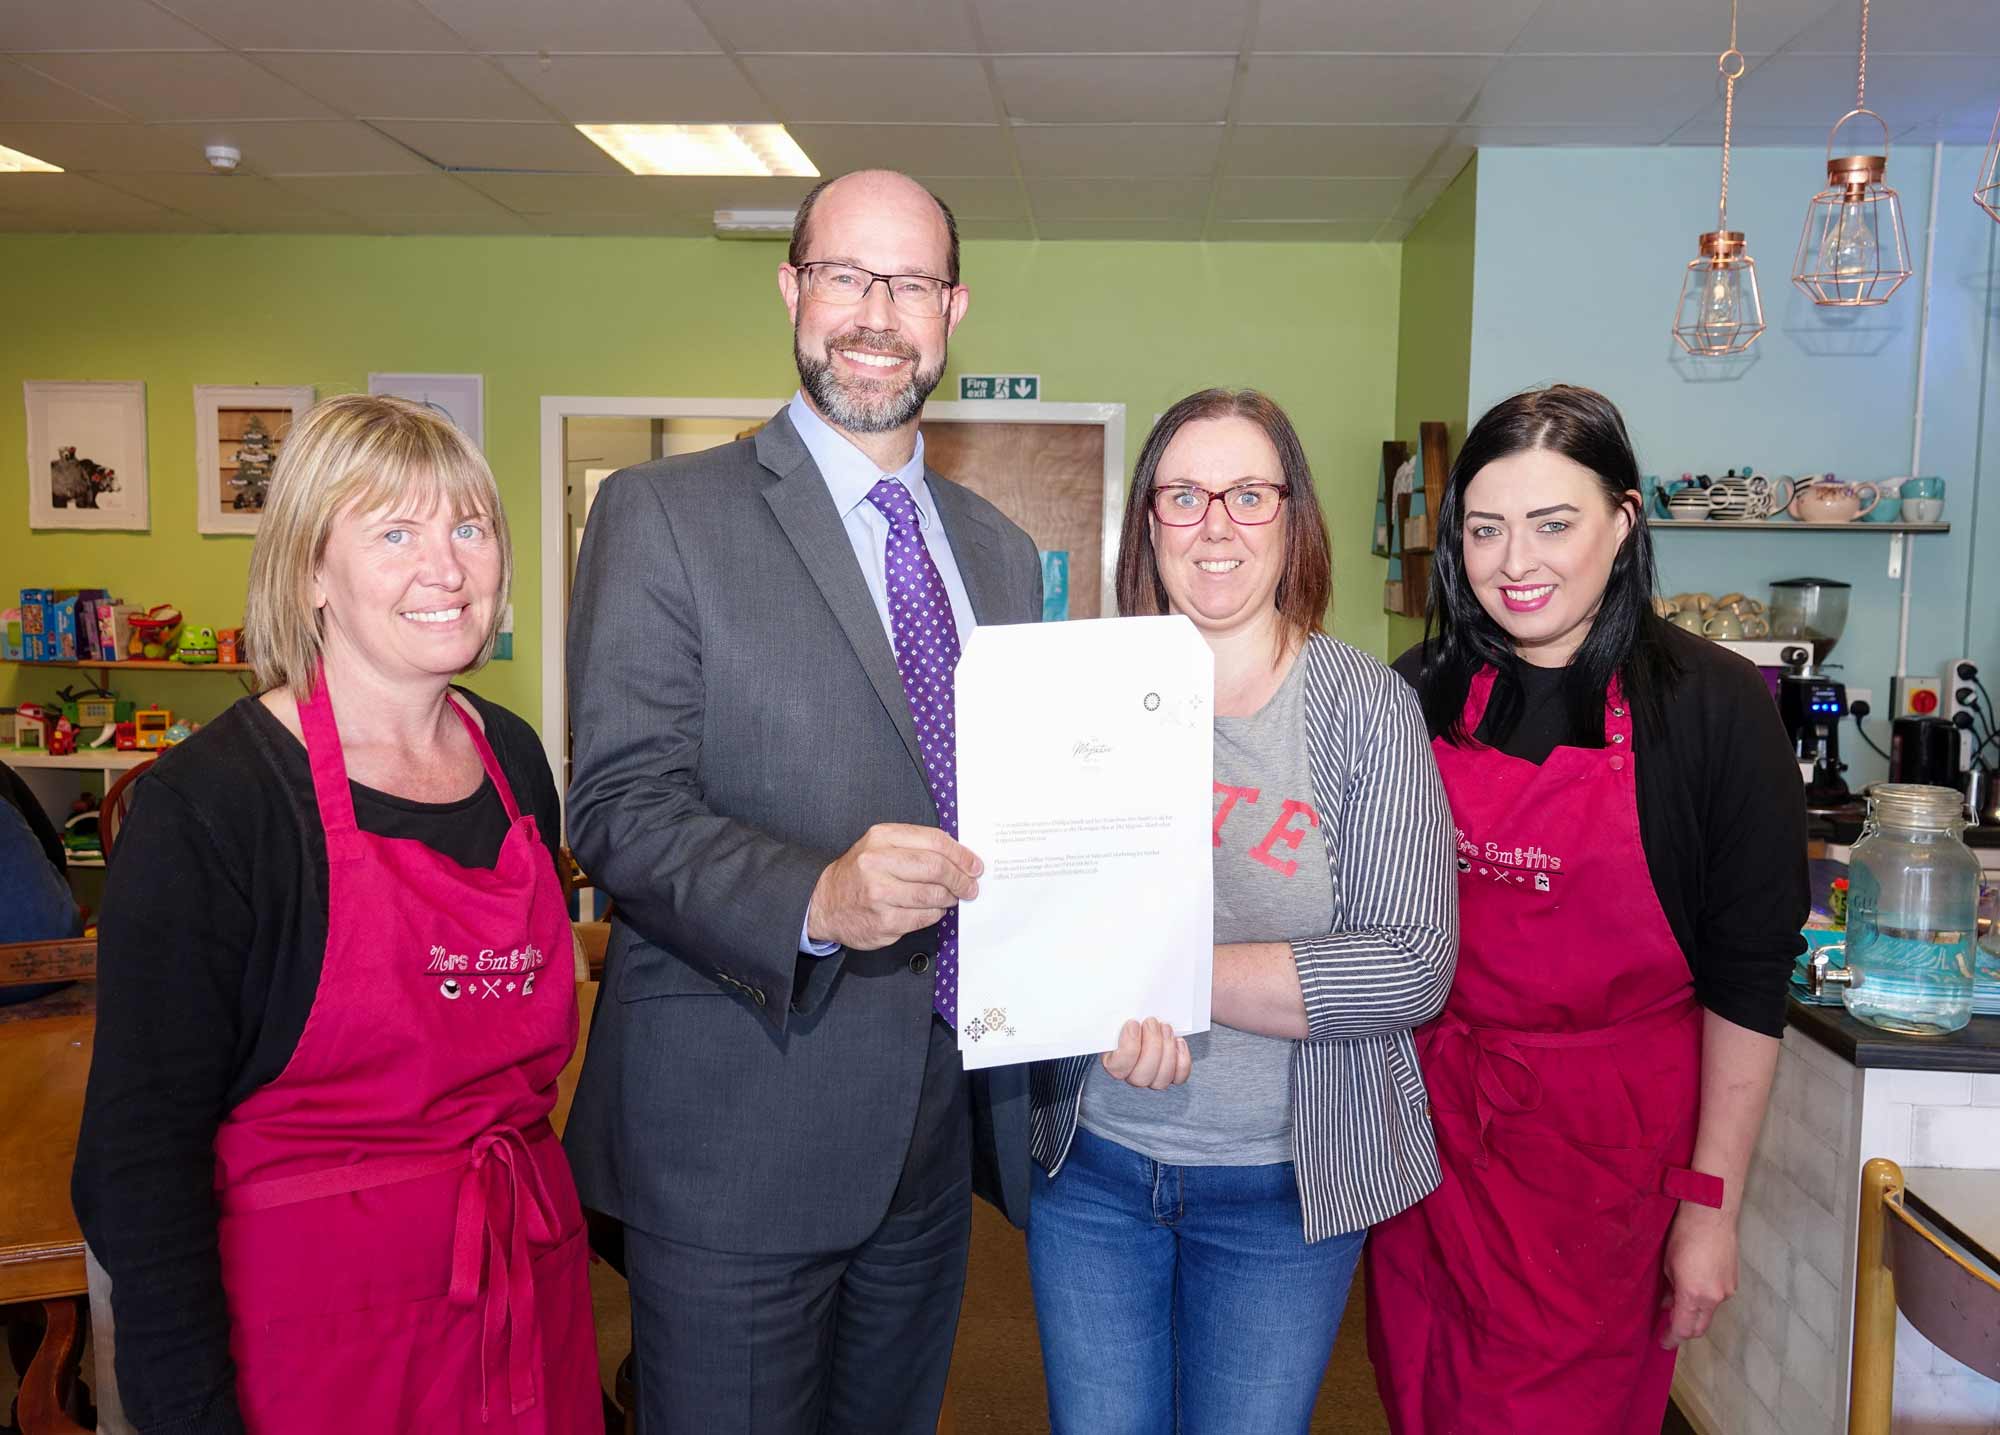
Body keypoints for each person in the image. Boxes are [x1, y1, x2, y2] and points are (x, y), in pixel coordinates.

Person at [562, 168, 1044, 1435]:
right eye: (844, 274)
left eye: (911, 283)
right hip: (734, 1131)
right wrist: (816, 896)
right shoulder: (661, 515)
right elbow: (617, 804)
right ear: (790, 288)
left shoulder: (992, 549)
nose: (876, 313)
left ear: (954, 309)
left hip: (931, 1141)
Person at [73, 394, 599, 1434]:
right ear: (310, 570)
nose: (444, 568)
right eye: (394, 532)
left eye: (467, 525)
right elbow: (137, 1160)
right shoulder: (214, 803)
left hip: (518, 1295)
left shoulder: (515, 757)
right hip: (317, 1340)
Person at [1366, 385, 1808, 1433]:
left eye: (1551, 524)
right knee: (1419, 1388)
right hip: (1429, 1140)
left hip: (1601, 1172)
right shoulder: (1415, 690)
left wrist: (1709, 1211)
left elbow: (1748, 984)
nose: (1514, 562)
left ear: (1622, 519)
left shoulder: (1711, 709)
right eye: (1483, 528)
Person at [1025, 389, 1457, 1435]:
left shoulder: (1365, 707)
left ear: (1291, 519)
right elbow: (1036, 922)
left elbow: (1407, 965)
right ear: (1148, 524)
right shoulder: (1074, 694)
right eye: (1183, 494)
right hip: (1091, 1173)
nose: (1214, 523)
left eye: (1247, 494)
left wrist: (1167, 979)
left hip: (1281, 1190)